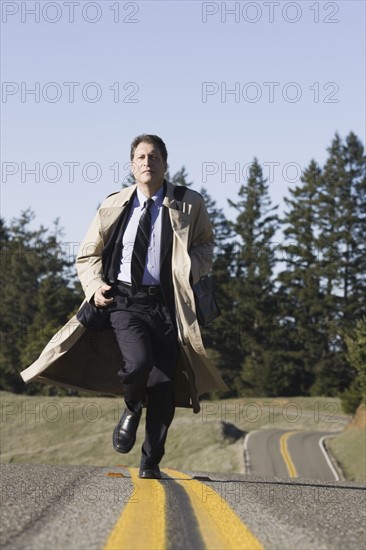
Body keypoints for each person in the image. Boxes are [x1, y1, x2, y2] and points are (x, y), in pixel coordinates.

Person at [20, 134, 228, 478]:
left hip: (168, 305)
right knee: (139, 362)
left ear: (165, 163)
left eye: (154, 157)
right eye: (141, 157)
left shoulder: (189, 203)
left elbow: (206, 243)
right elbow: (88, 253)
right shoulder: (114, 204)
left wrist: (189, 269)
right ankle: (132, 407)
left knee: (163, 386)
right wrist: (95, 285)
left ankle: (151, 461)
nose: (147, 163)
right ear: (132, 165)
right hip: (124, 301)